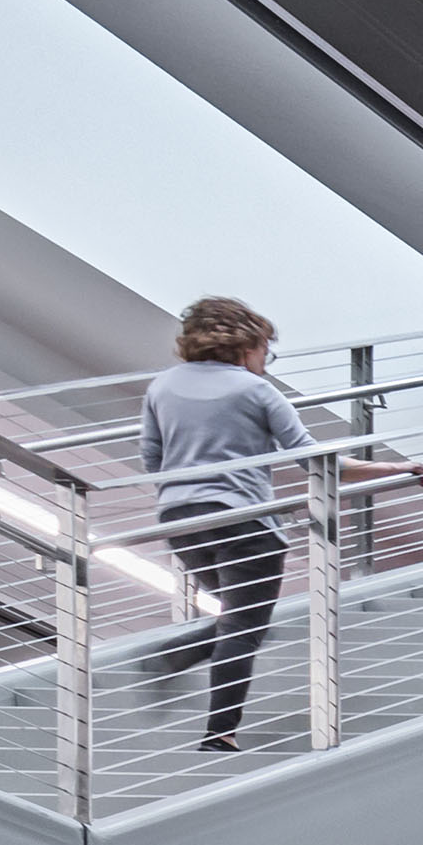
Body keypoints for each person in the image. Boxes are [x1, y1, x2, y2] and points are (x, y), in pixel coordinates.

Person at [140, 299, 308, 758]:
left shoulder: (162, 386)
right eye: (265, 351)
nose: (264, 362)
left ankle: (176, 655)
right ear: (247, 343)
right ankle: (219, 734)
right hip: (244, 520)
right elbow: (314, 458)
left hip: (182, 520)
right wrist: (396, 467)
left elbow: (152, 460)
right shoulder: (256, 391)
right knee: (245, 624)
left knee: (242, 619)